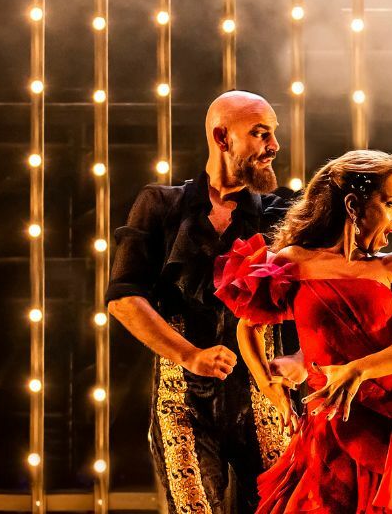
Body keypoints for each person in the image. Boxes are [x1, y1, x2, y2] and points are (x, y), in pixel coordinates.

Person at [214, 150, 392, 513]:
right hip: (328, 431)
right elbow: (249, 326)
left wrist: (357, 369)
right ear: (353, 205)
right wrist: (270, 387)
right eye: (391, 204)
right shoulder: (292, 261)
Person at [106, 91, 304, 513]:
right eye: (260, 133)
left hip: (266, 395)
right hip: (182, 404)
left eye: (273, 133)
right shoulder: (161, 204)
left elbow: (328, 294)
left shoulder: (283, 209)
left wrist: (302, 357)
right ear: (221, 136)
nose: (274, 146)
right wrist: (190, 355)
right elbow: (123, 299)